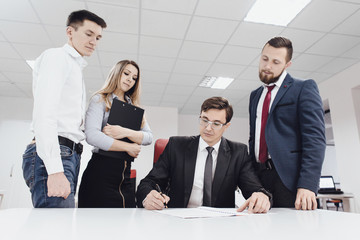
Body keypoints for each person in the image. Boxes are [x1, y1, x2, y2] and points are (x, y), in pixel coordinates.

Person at [22, 10, 107, 208]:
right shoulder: (57, 57)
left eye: (98, 37)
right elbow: (45, 114)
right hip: (56, 154)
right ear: (70, 32)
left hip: (69, 154)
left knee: (61, 226)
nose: (94, 41)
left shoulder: (75, 67)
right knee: (55, 229)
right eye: (88, 34)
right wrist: (54, 169)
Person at [136, 97, 271, 213]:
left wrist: (261, 197)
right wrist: (148, 196)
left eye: (216, 123)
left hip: (220, 224)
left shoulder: (238, 152)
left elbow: (254, 189)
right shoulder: (176, 146)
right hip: (178, 222)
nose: (207, 128)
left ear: (226, 126)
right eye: (204, 120)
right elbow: (148, 183)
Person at [248, 37, 326, 210]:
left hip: (290, 180)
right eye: (265, 59)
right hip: (260, 180)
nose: (268, 66)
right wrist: (251, 179)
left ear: (287, 64)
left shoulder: (303, 88)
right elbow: (254, 139)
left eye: (276, 62)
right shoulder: (255, 96)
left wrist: (307, 184)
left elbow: (315, 139)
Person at [78, 60, 153, 208]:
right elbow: (92, 135)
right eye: (126, 74)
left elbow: (149, 137)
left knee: (126, 223)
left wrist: (122, 132)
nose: (130, 79)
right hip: (100, 172)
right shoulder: (100, 99)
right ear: (117, 73)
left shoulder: (135, 108)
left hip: (125, 175)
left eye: (134, 77)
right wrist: (128, 147)